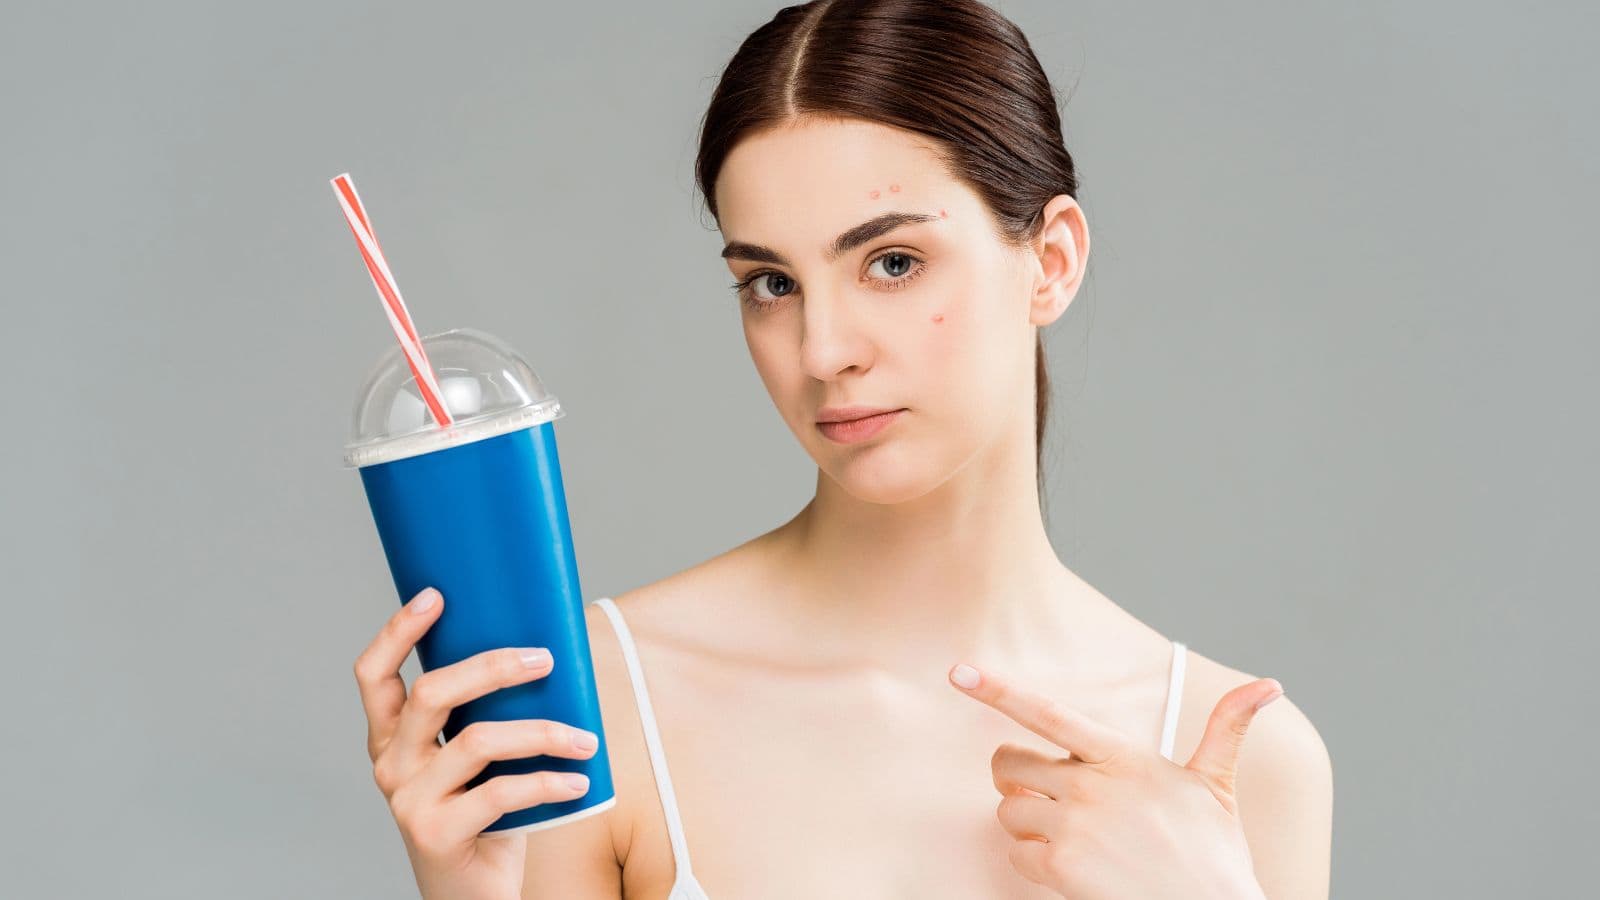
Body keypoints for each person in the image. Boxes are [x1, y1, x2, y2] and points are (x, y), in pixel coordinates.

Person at [351, 1, 1334, 897]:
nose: (822, 351)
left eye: (891, 262)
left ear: (1051, 261)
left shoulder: (1238, 764)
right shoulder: (592, 705)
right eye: (771, 284)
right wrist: (471, 893)